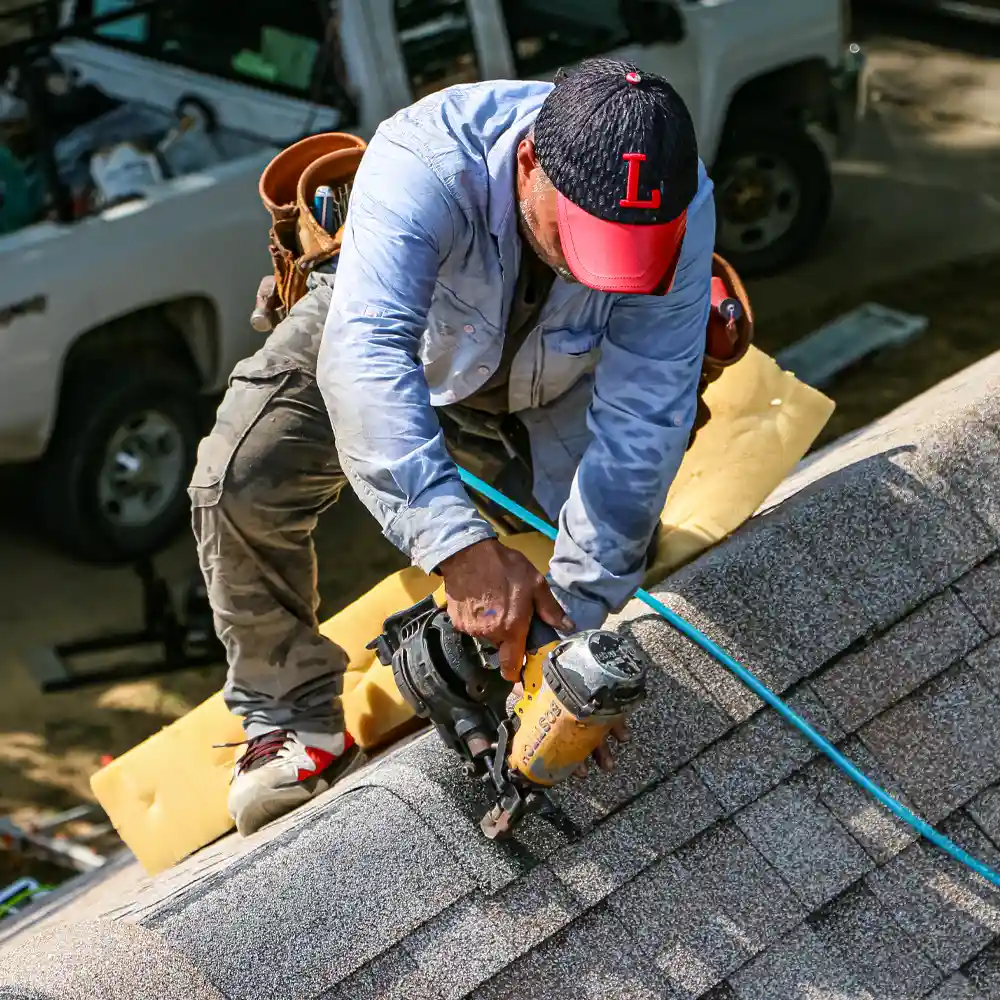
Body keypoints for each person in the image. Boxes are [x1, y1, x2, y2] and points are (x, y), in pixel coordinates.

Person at [190, 57, 716, 837]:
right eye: (579, 237)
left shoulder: (680, 198)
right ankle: (291, 714)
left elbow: (647, 410)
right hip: (401, 331)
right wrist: (458, 550)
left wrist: (566, 629)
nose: (587, 265)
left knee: (601, 552)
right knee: (241, 475)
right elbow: (367, 360)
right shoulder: (426, 161)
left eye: (619, 252)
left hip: (552, 377)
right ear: (531, 162)